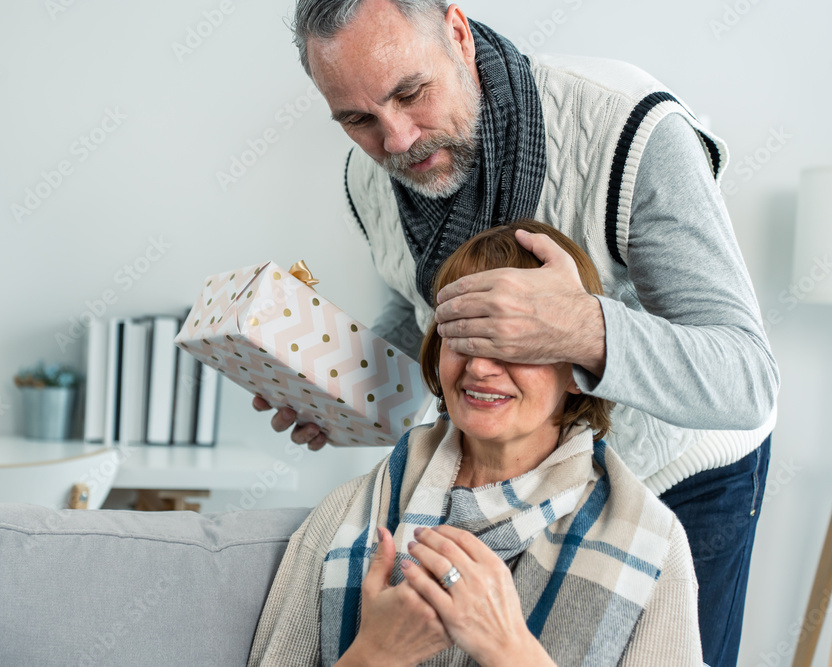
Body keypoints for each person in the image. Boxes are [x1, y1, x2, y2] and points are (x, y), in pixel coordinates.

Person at [252, 2, 777, 663]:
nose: (396, 140)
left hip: (681, 471)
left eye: (411, 93)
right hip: (508, 479)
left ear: (458, 33)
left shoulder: (630, 132)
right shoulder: (371, 179)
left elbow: (747, 379)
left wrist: (580, 325)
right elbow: (419, 307)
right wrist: (342, 387)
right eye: (358, 119)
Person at [248, 221, 702, 667]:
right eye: (461, 332)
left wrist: (509, 652)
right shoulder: (343, 516)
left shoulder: (653, 546)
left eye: (516, 341)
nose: (480, 368)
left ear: (581, 370)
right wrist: (376, 655)